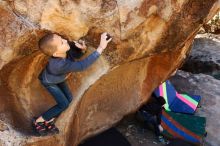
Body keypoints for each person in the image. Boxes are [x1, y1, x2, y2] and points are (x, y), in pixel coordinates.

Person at [33, 32, 112, 136]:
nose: (65, 40)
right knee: (63, 104)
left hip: (58, 79)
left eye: (62, 38)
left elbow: (73, 56)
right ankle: (38, 121)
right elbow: (81, 65)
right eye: (62, 42)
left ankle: (48, 120)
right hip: (50, 82)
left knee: (69, 99)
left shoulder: (64, 49)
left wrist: (82, 49)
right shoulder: (58, 65)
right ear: (56, 54)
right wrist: (101, 47)